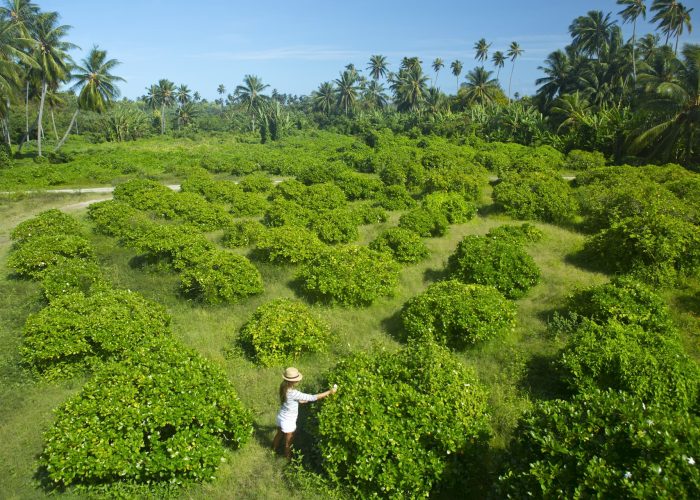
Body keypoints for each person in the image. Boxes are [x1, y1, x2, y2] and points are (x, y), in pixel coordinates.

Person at [272, 367, 337, 459]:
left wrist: (298, 401)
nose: (298, 381)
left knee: (279, 433)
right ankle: (288, 458)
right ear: (292, 381)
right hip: (288, 420)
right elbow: (313, 397)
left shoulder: (283, 386)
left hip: (281, 416)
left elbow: (288, 400)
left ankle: (273, 449)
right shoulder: (293, 392)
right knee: (288, 442)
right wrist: (330, 392)